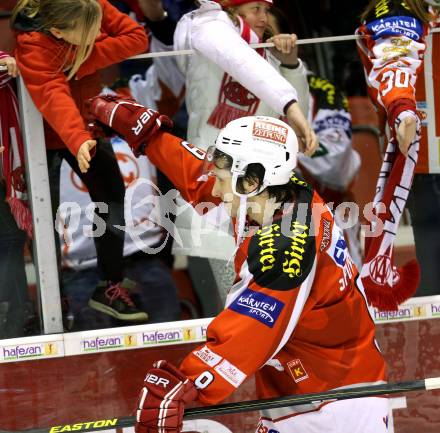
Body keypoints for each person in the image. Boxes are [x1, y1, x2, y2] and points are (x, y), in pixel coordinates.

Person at [87, 95, 388, 433]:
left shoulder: (290, 243)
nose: (213, 186)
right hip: (308, 391)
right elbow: (198, 174)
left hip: (333, 407)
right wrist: (148, 135)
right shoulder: (274, 193)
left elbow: (252, 327)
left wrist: (186, 384)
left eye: (221, 177)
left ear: (251, 181)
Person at [11, 0, 150, 322]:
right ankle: (53, 299)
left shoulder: (89, 5)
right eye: (88, 34)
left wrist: (78, 59)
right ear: (57, 30)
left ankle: (111, 285)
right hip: (41, 136)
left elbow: (137, 37)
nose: (96, 35)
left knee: (113, 200)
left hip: (86, 128)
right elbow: (54, 97)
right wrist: (78, 140)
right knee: (43, 219)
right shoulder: (32, 45)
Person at [173, 0, 317, 308]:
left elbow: (295, 126)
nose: (265, 18)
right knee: (230, 304)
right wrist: (287, 100)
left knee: (275, 303)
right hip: (214, 191)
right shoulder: (206, 33)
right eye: (256, 9)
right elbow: (237, 58)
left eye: (267, 11)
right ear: (232, 11)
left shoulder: (268, 63)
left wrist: (290, 64)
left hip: (260, 198)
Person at [356, 0, 437, 309]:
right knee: (434, 278)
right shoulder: (396, 8)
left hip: (425, 159)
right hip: (426, 162)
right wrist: (403, 111)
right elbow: (395, 63)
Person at [0, 51, 32, 338]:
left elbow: (9, 67)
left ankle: (16, 313)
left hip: (5, 168)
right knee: (10, 240)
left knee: (11, 240)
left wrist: (7, 59)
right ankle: (14, 314)